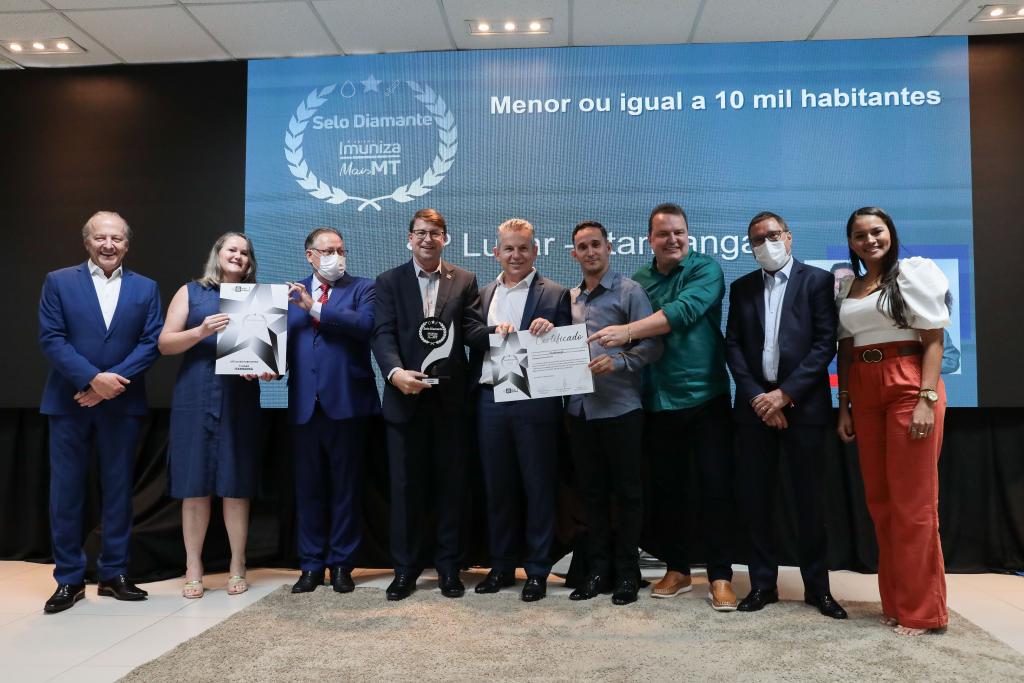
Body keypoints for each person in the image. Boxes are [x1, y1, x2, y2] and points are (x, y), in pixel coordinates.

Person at [590, 203, 736, 612]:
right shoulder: (638, 281)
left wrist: (627, 331)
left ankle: (721, 575)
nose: (673, 240)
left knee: (714, 488)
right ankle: (678, 568)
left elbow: (682, 313)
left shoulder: (707, 269)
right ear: (649, 240)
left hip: (705, 396)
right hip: (656, 398)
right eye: (663, 234)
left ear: (688, 235)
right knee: (669, 491)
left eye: (679, 232)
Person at [38, 211, 163, 613]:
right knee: (66, 494)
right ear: (87, 242)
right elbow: (52, 338)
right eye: (100, 238)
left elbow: (151, 342)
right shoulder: (58, 281)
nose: (109, 245)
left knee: (119, 492)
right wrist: (92, 380)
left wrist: (109, 386)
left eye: (117, 238)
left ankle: (114, 574)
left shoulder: (146, 288)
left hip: (121, 405)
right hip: (69, 403)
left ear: (127, 244)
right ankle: (69, 579)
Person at [724, 212, 847, 619]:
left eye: (772, 236)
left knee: (810, 502)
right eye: (757, 240)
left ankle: (818, 589)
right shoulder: (741, 287)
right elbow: (733, 346)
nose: (766, 244)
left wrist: (785, 395)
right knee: (757, 502)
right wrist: (760, 398)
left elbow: (825, 344)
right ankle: (762, 585)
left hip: (804, 408)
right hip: (755, 410)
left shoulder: (817, 281)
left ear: (789, 238)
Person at [835, 206, 950, 636]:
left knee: (914, 504)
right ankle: (897, 603)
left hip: (908, 382)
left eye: (876, 231)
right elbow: (846, 349)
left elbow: (933, 338)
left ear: (890, 233)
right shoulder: (848, 284)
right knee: (881, 502)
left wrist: (926, 398)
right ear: (851, 242)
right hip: (864, 387)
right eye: (860, 235)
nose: (870, 240)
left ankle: (923, 612)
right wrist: (844, 404)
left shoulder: (913, 273)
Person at [371, 208, 489, 601]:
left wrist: (503, 332)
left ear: (445, 238)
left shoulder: (464, 280)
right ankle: (404, 570)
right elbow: (382, 334)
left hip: (450, 403)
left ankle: (449, 568)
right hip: (404, 400)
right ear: (409, 238)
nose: (427, 239)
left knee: (451, 489)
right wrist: (395, 374)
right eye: (420, 232)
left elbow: (472, 332)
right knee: (405, 489)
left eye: (435, 232)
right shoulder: (389, 281)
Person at [158, 232, 270, 598]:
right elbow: (165, 343)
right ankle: (194, 567)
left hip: (239, 397)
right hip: (195, 395)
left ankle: (238, 564)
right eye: (232, 249)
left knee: (236, 483)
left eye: (245, 252)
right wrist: (201, 330)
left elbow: (269, 357)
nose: (238, 256)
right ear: (218, 254)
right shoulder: (191, 292)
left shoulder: (258, 298)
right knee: (194, 484)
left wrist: (266, 368)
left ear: (250, 261)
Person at [469, 219, 571, 602]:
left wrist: (552, 328)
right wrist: (492, 333)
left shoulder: (556, 294)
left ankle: (538, 571)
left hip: (536, 401)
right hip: (490, 398)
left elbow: (569, 344)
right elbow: (470, 335)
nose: (516, 255)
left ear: (535, 251)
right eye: (509, 249)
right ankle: (500, 567)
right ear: (496, 252)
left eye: (523, 248)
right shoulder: (482, 294)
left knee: (538, 487)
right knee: (498, 488)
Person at [566, 220, 661, 606]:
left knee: (627, 494)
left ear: (609, 248)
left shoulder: (630, 291)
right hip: (579, 411)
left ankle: (627, 574)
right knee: (590, 495)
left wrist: (619, 361)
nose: (590, 252)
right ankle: (597, 571)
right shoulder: (570, 298)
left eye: (596, 244)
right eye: (582, 247)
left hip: (621, 409)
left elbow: (653, 346)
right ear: (574, 254)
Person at [286, 227, 380, 594]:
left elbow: (365, 325)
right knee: (308, 490)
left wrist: (314, 307)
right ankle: (310, 565)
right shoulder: (289, 293)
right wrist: (263, 366)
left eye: (340, 250)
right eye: (327, 251)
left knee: (346, 489)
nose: (335, 257)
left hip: (347, 404)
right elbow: (276, 345)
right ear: (309, 255)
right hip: (303, 406)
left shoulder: (363, 288)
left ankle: (342, 564)